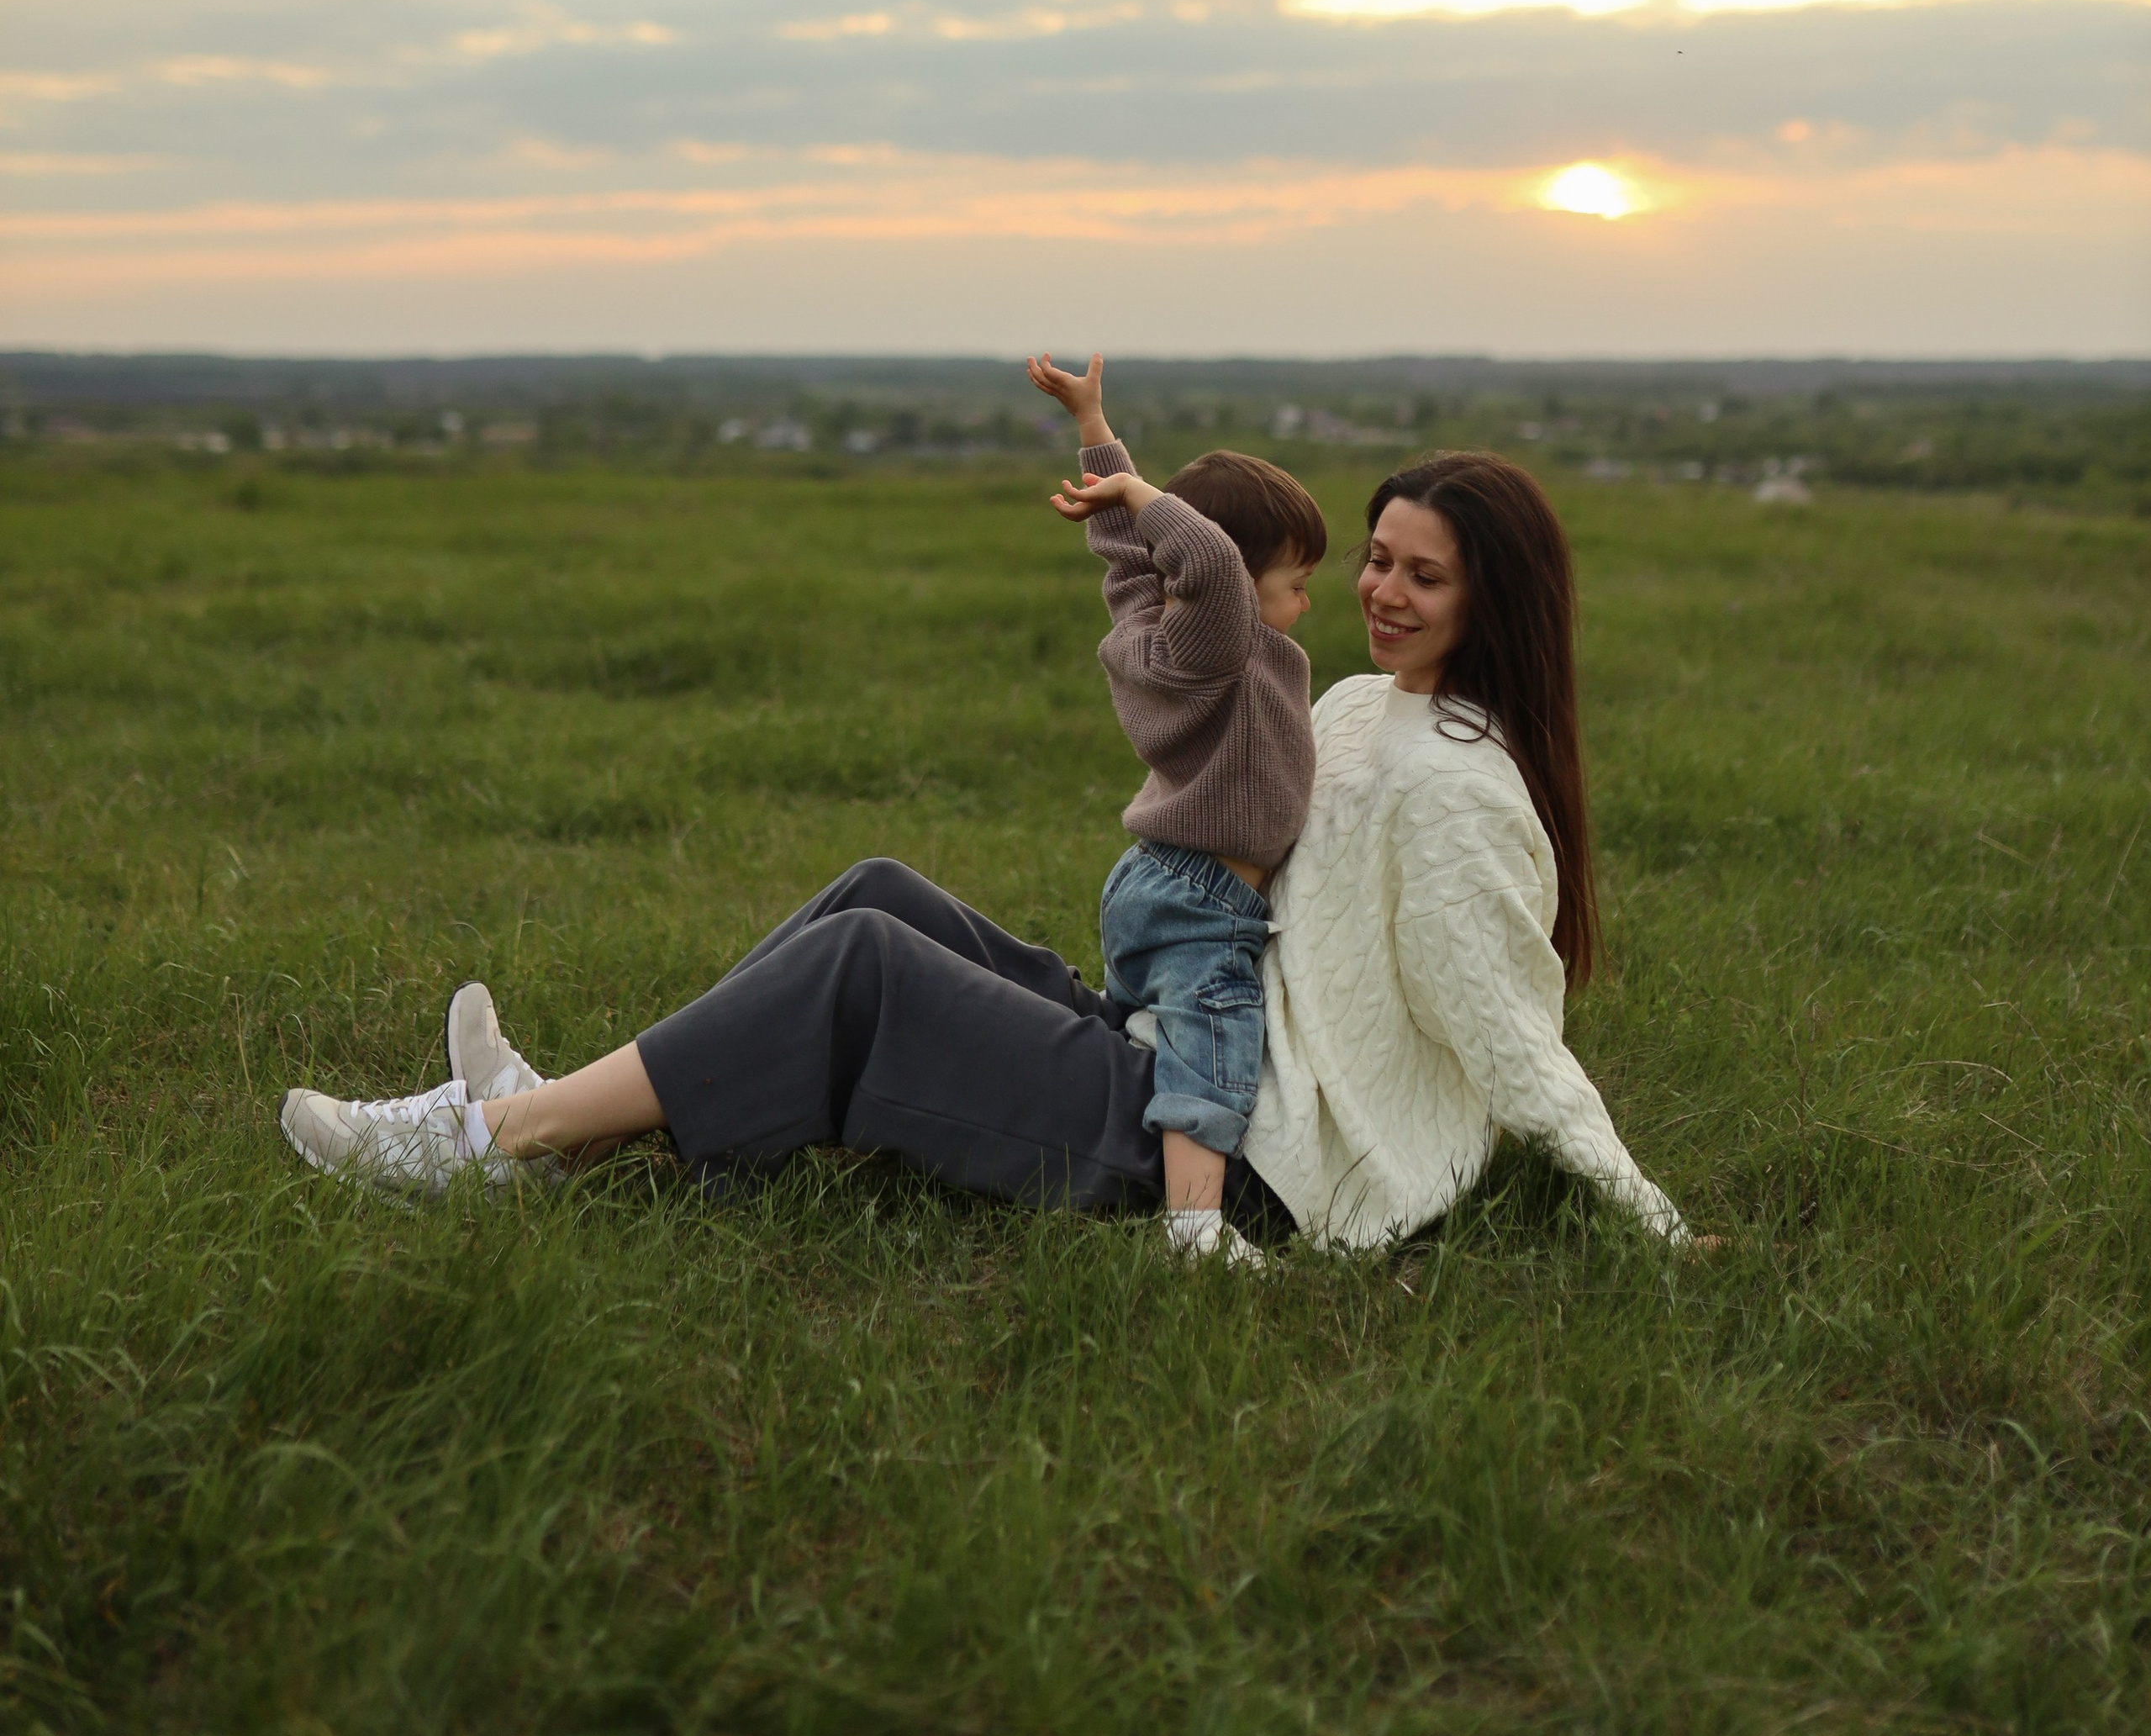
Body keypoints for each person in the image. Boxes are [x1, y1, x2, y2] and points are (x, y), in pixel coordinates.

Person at [278, 446, 1690, 1257]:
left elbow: (1507, 1027)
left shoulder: (1465, 793)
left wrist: (1646, 1217)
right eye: (1374, 557)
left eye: (1419, 575)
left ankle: (490, 1146)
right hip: (1187, 1043)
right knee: (882, 891)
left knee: (865, 970)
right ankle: (553, 1124)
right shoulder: (1363, 705)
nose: (1378, 589)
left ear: (1492, 601)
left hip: (1242, 1158)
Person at [1028, 348, 1323, 1269]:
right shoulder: (1213, 643)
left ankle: (1105, 1154)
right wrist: (1147, 492)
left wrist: (1096, 437)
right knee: (1209, 1047)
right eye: (1294, 582)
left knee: (1144, 1041)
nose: (1307, 600)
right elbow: (1206, 564)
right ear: (1236, 582)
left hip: (1155, 877)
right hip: (1205, 899)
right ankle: (1194, 1227)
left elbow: (1130, 553)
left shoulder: (1144, 619)